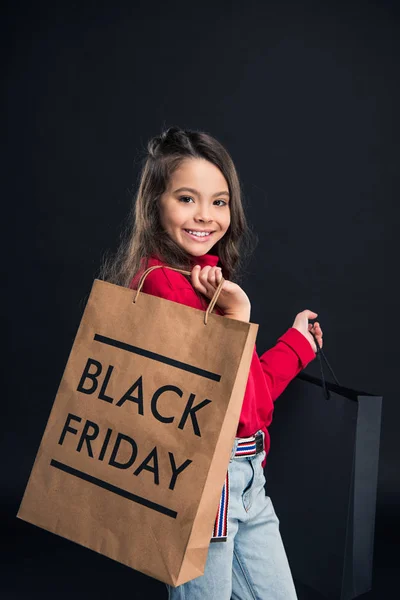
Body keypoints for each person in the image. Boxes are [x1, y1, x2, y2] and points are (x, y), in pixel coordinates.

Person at [99, 126, 323, 600]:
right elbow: (242, 414)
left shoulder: (199, 281)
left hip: (245, 478)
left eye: (219, 202)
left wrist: (295, 347)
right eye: (186, 198)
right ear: (154, 205)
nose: (206, 216)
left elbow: (244, 394)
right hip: (204, 485)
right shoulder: (165, 287)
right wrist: (238, 317)